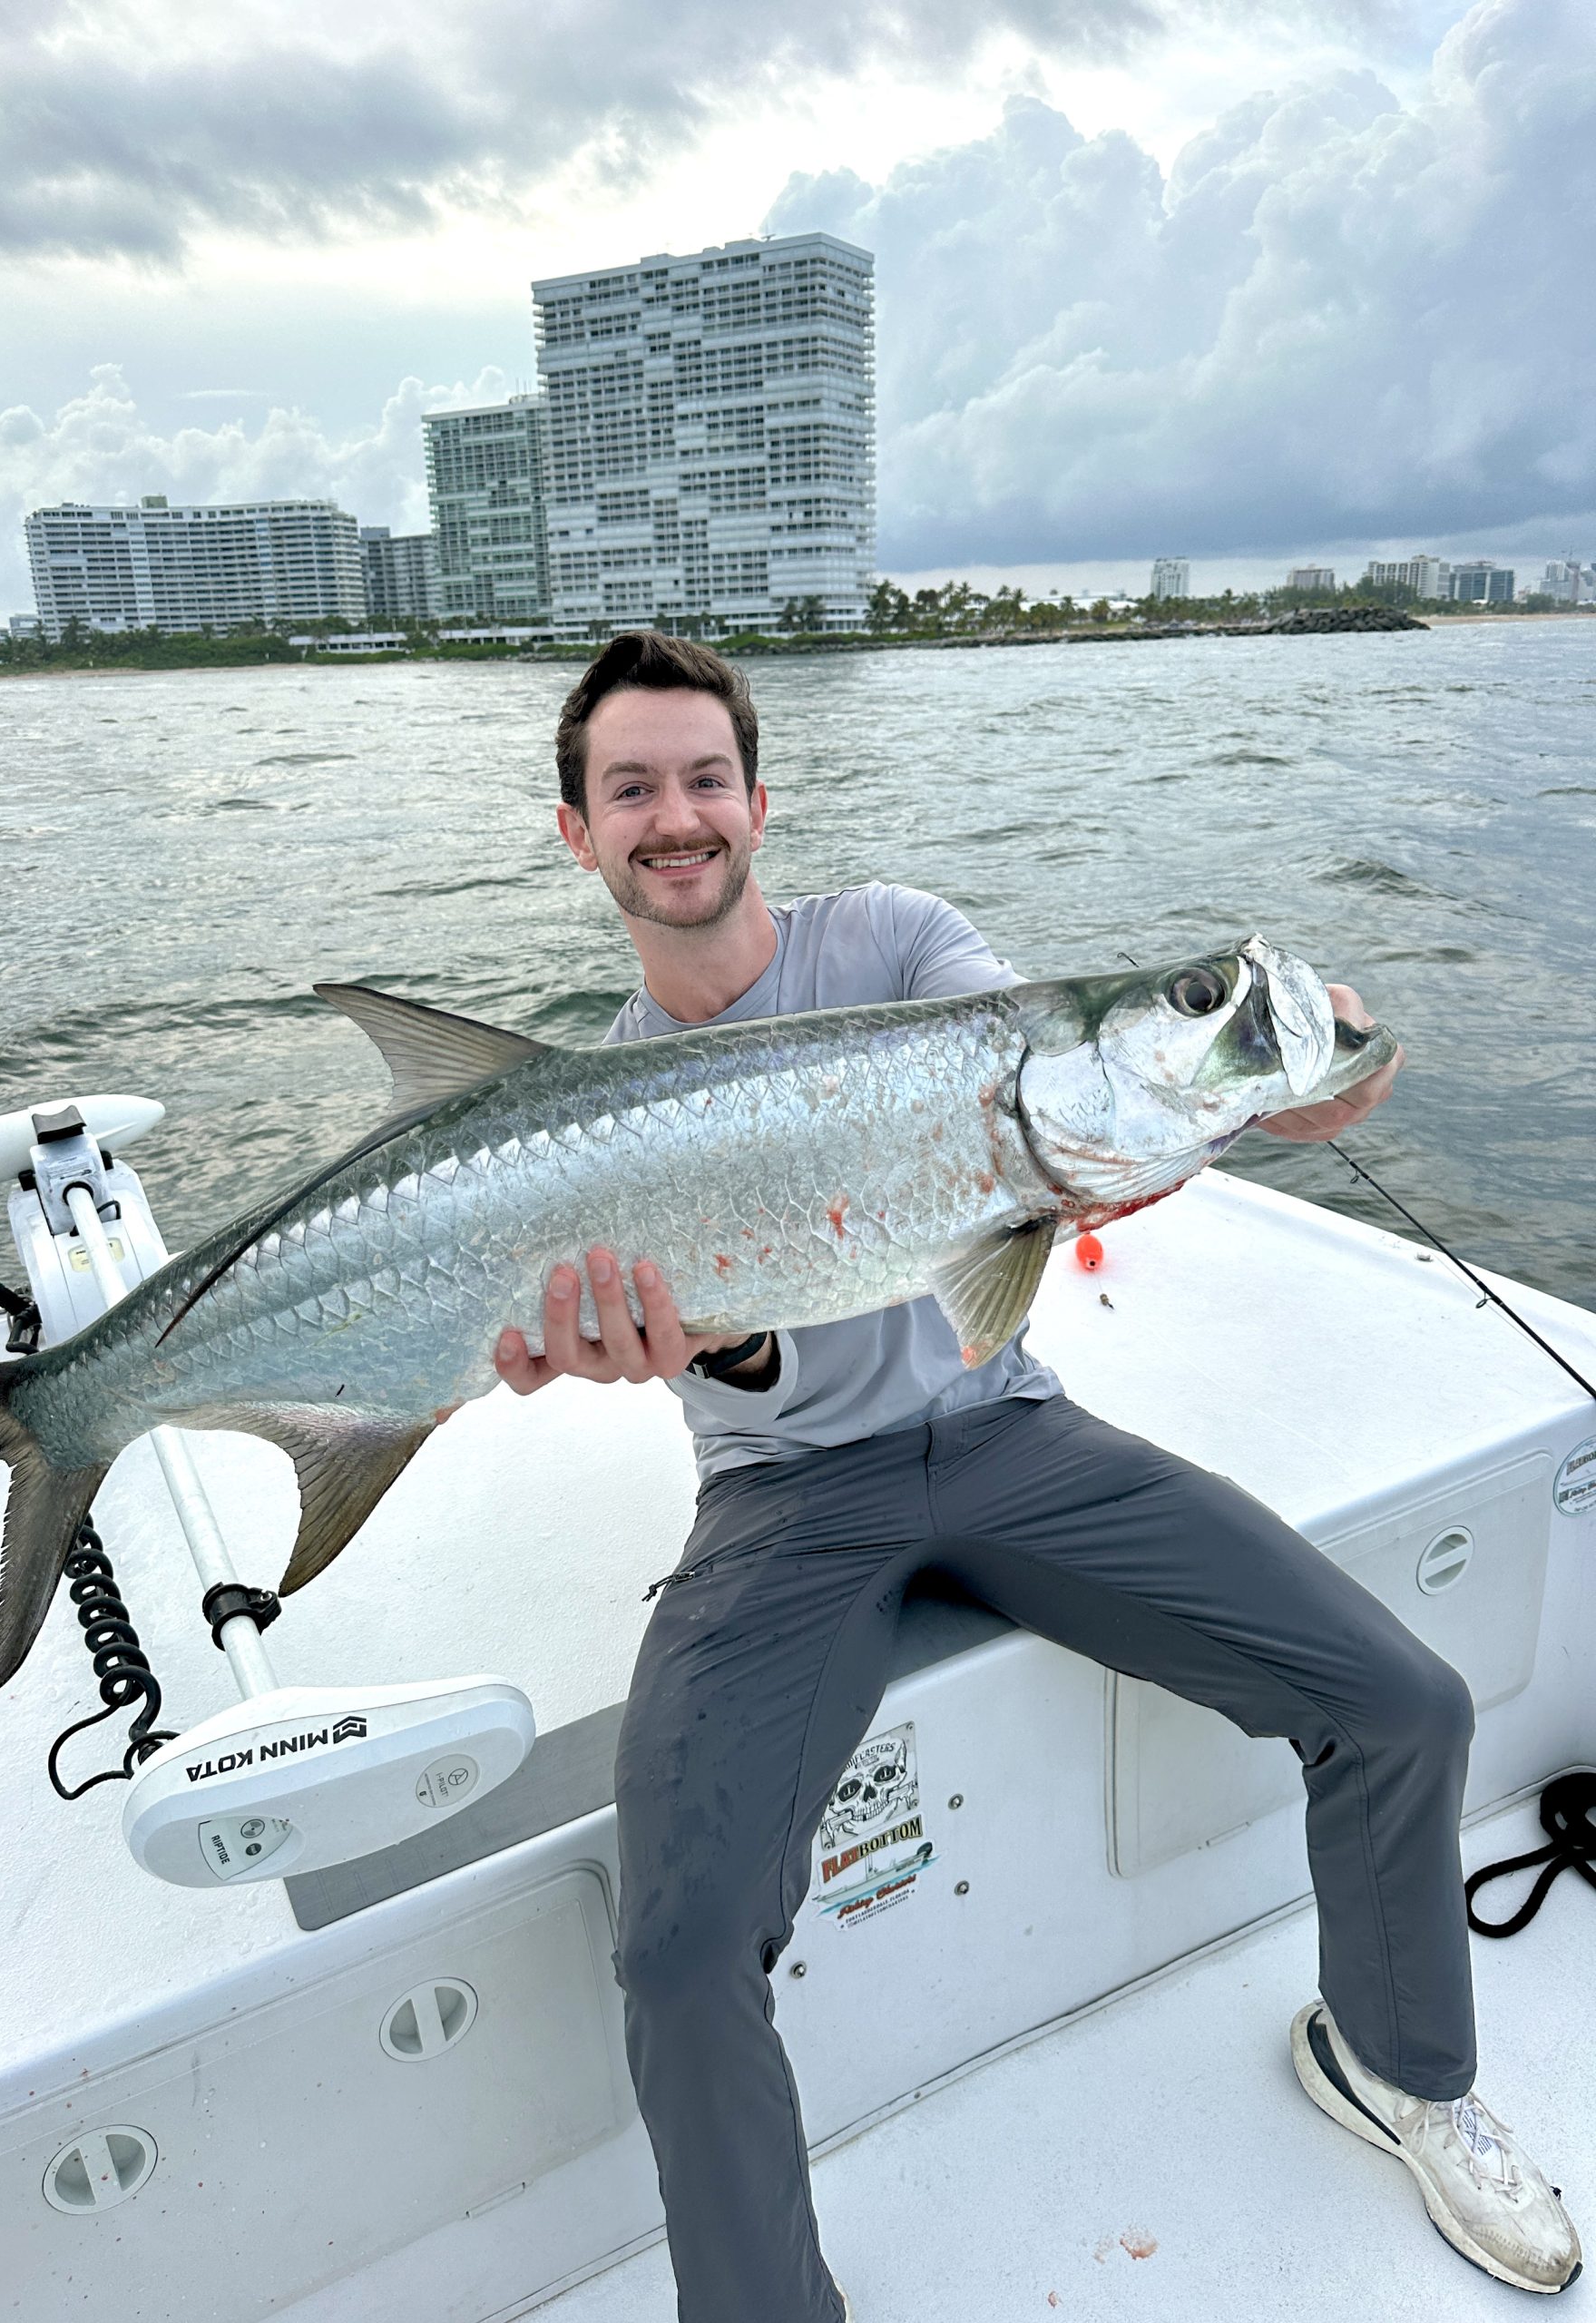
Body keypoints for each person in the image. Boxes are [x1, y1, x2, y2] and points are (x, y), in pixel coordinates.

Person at [494, 631, 1581, 2320]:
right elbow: (760, 1359)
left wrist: (1313, 1056)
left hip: (1014, 1437)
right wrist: (674, 1340)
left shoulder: (898, 940)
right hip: (786, 1506)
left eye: (704, 778)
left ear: (758, 802)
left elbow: (1074, 1106)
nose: (674, 815)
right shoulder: (597, 1100)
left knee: (1402, 1701)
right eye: (630, 788)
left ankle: (1397, 2065)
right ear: (580, 834)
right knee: (680, 1945)